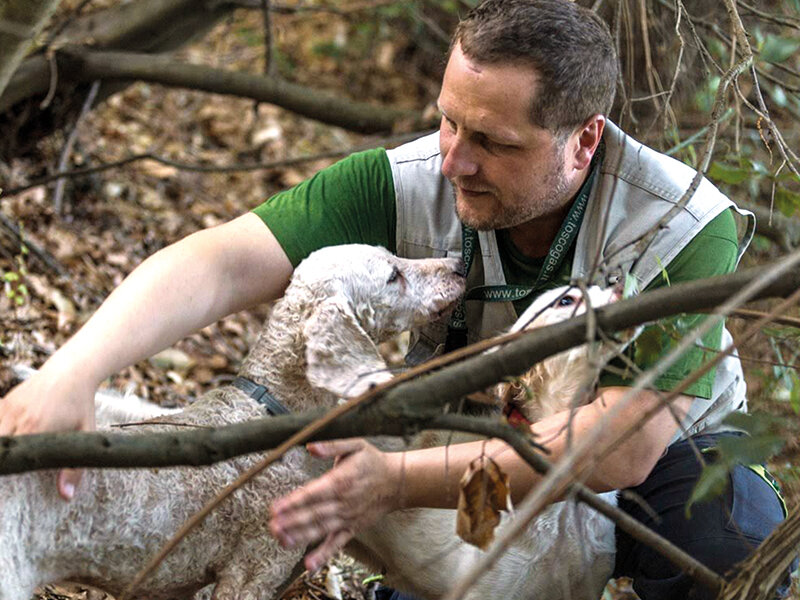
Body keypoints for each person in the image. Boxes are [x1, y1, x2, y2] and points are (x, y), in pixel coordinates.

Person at [0, 0, 790, 598]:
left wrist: (390, 482)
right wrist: (73, 372)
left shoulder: (686, 224)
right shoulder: (403, 179)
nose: (455, 162)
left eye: (492, 143)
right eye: (448, 123)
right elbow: (220, 263)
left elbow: (620, 444)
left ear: (584, 140)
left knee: (734, 534)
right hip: (471, 458)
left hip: (649, 472)